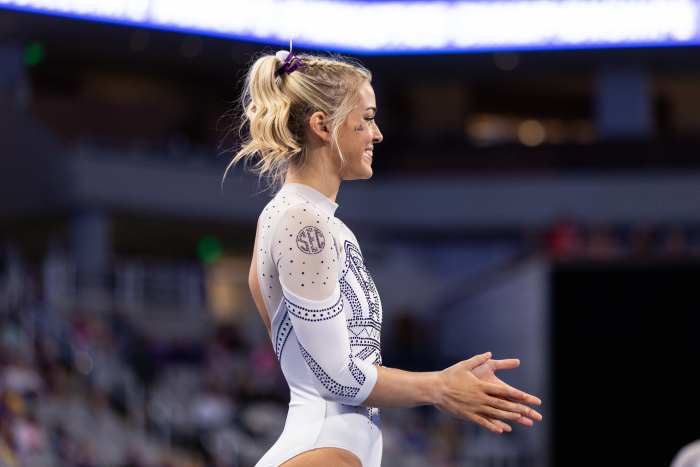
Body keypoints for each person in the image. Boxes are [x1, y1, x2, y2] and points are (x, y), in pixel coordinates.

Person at [224, 47, 543, 467]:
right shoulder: (301, 223)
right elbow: (334, 374)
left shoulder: (324, 224)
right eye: (368, 118)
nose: (377, 134)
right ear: (322, 125)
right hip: (321, 447)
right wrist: (439, 387)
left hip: (335, 445)